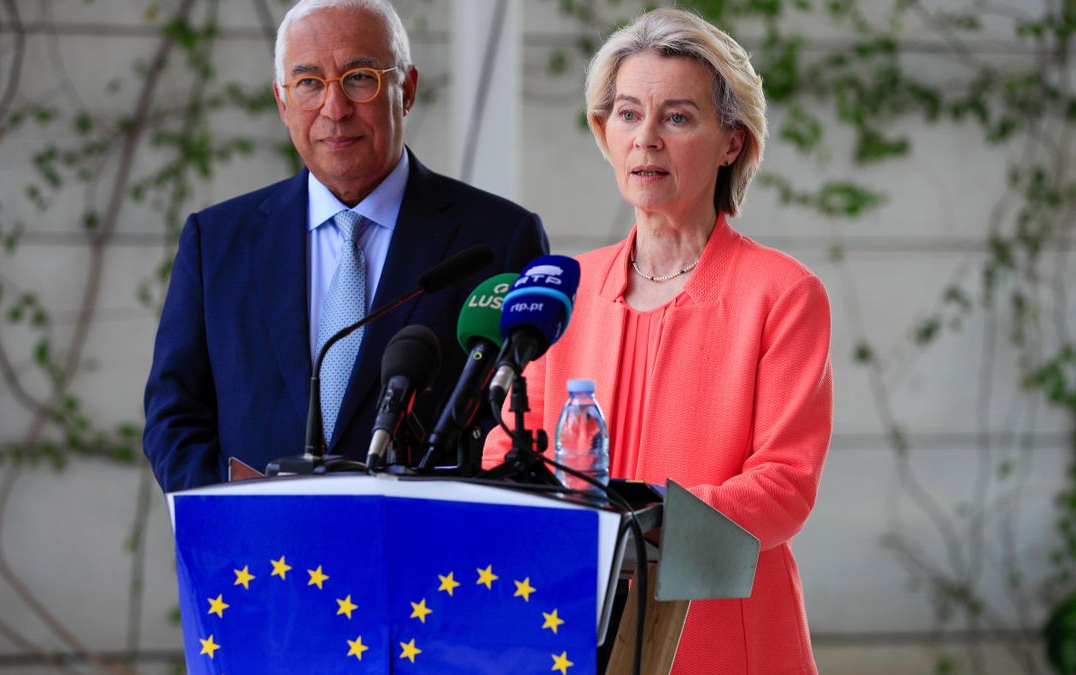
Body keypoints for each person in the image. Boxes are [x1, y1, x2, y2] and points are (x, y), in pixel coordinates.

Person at [485, 8, 831, 674]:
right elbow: (505, 455)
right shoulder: (559, 290)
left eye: (677, 117)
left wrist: (646, 521)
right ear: (601, 130)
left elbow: (783, 487)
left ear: (731, 140)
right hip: (570, 629)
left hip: (727, 635)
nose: (646, 139)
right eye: (626, 114)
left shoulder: (782, 293)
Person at [144, 0, 548, 493]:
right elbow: (174, 417)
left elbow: (517, 428)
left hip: (426, 559)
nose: (334, 110)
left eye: (359, 78)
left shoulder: (499, 239)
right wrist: (234, 514)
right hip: (260, 560)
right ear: (282, 101)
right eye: (309, 83)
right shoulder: (217, 242)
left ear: (407, 90)